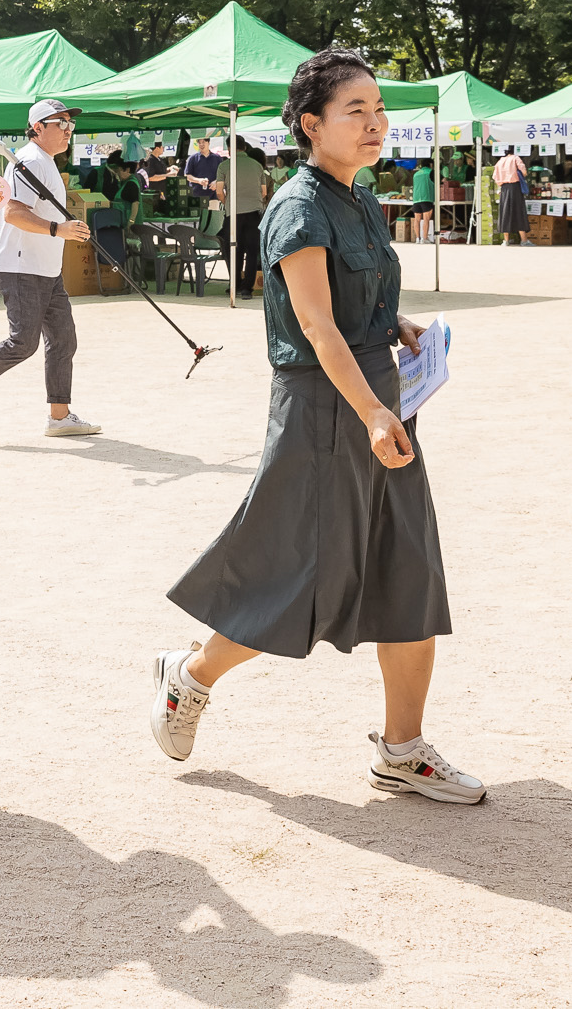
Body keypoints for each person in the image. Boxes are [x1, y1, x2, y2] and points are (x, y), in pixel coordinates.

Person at [147, 50, 482, 804]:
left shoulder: (359, 196)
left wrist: (399, 326)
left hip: (377, 403)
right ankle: (190, 674)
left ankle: (402, 749)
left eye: (378, 108)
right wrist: (370, 413)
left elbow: (354, 305)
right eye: (355, 110)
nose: (374, 122)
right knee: (297, 577)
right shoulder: (296, 208)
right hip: (329, 411)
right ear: (311, 123)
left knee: (409, 568)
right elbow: (316, 326)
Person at [0, 101, 99, 442]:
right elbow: (13, 213)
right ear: (38, 127)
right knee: (22, 343)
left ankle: (59, 416)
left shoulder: (46, 163)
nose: (69, 130)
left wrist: (61, 231)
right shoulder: (28, 161)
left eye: (71, 124)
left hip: (45, 268)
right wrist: (60, 229)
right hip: (21, 266)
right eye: (62, 123)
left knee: (63, 339)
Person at [222, 133, 269, 294]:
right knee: (251, 251)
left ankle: (234, 283)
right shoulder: (257, 165)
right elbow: (263, 192)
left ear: (229, 148)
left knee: (233, 250)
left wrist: (227, 202)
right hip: (254, 213)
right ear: (245, 147)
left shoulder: (224, 165)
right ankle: (247, 287)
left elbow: (219, 191)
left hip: (233, 213)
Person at [492, 146, 529, 245]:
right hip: (515, 187)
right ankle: (524, 240)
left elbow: (495, 177)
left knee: (505, 213)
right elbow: (524, 172)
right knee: (518, 212)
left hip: (504, 189)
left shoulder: (500, 161)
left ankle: (506, 241)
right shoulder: (515, 158)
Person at [407, 155, 436, 245]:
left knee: (417, 219)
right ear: (430, 164)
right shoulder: (431, 172)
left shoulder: (416, 174)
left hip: (416, 199)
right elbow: (442, 180)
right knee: (426, 219)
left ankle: (417, 238)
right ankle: (425, 238)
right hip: (427, 197)